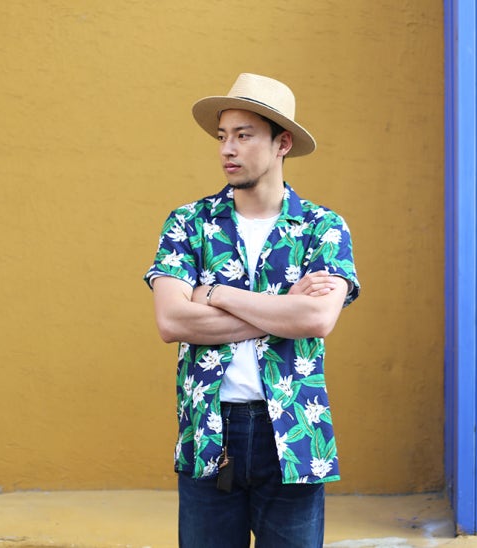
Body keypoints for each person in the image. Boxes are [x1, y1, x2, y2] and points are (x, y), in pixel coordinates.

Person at [144, 73, 360, 548]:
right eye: (223, 136)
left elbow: (316, 320)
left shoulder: (322, 227)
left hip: (294, 431)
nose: (228, 149)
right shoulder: (189, 224)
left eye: (243, 136)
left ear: (282, 143)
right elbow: (171, 321)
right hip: (208, 430)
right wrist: (282, 308)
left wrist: (215, 293)